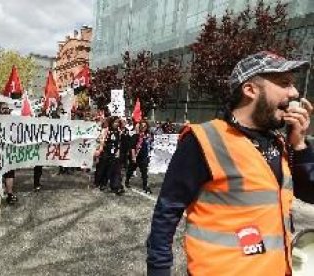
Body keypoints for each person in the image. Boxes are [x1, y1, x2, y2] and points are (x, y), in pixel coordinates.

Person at [146, 51, 314, 276]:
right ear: (250, 90)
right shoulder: (203, 139)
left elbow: (309, 194)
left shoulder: (280, 143)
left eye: (293, 85)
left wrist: (300, 145)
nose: (294, 93)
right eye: (285, 83)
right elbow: (166, 212)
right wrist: (158, 270)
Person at [0, 102, 18, 204]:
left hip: (9, 152)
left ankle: (10, 194)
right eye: (3, 108)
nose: (6, 110)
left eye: (7, 108)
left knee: (10, 173)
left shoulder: (14, 121)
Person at [125, 120, 152, 193]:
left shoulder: (148, 136)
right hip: (136, 157)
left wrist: (149, 155)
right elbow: (132, 147)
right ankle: (127, 181)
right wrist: (133, 157)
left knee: (144, 172)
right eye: (142, 126)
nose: (143, 127)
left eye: (145, 126)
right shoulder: (136, 136)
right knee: (131, 169)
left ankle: (145, 185)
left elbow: (150, 146)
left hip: (144, 157)